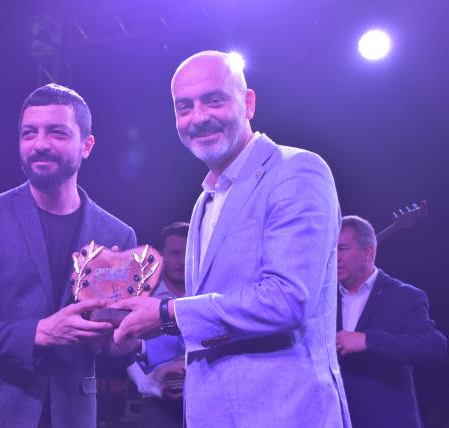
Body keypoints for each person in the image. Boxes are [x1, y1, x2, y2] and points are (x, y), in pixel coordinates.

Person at [111, 50, 350, 427]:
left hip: (284, 414)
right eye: (184, 107)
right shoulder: (204, 200)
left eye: (214, 100)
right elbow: (211, 322)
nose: (198, 117)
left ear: (248, 103)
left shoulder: (296, 171)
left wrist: (166, 314)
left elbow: (288, 299)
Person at [0, 83, 137, 428]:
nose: (40, 144)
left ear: (86, 145)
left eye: (57, 133)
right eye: (29, 133)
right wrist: (40, 332)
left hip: (71, 416)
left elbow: (107, 346)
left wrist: (119, 345)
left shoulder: (117, 235)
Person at [336, 215, 447, 428]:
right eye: (333, 250)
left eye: (342, 248)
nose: (336, 257)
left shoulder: (404, 296)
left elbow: (435, 347)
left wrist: (369, 340)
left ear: (368, 252)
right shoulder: (323, 299)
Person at [126, 222, 188, 428]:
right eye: (175, 253)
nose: (181, 261)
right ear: (161, 256)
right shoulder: (142, 297)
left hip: (204, 400)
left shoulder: (205, 294)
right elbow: (125, 346)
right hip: (157, 405)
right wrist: (147, 385)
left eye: (187, 253)